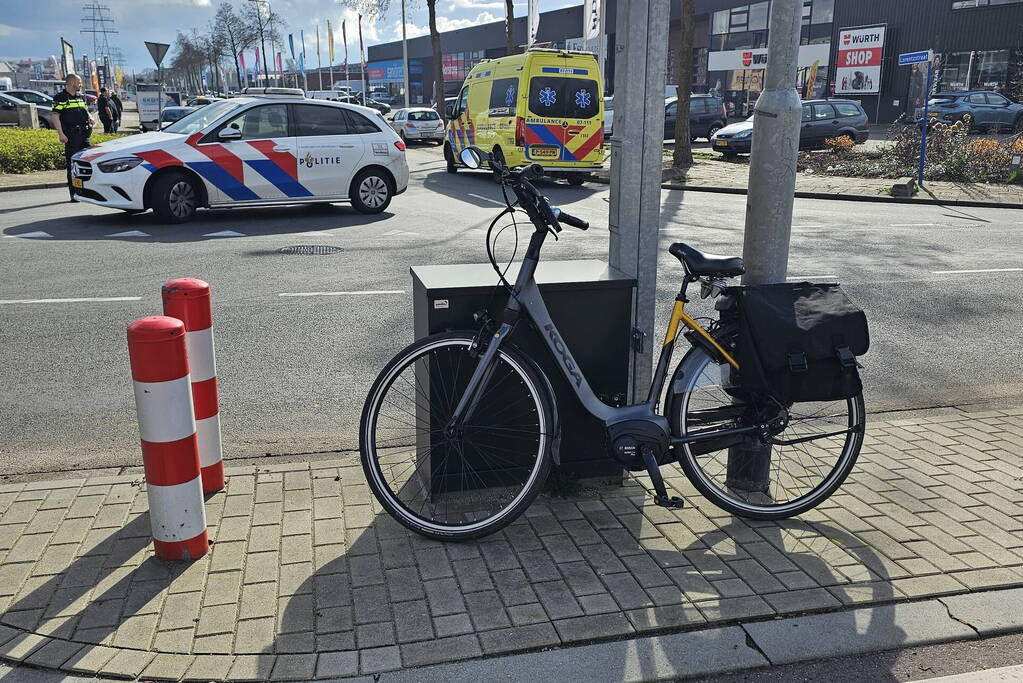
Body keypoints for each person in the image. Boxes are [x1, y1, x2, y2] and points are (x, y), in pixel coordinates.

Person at [51, 74, 95, 202]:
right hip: (71, 136)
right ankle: (74, 193)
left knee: (87, 163)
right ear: (71, 83)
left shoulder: (80, 97)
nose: (81, 85)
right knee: (73, 165)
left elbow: (85, 111)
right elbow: (55, 116)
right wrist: (61, 134)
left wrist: (90, 117)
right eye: (79, 82)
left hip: (84, 135)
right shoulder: (61, 97)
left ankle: (87, 190)